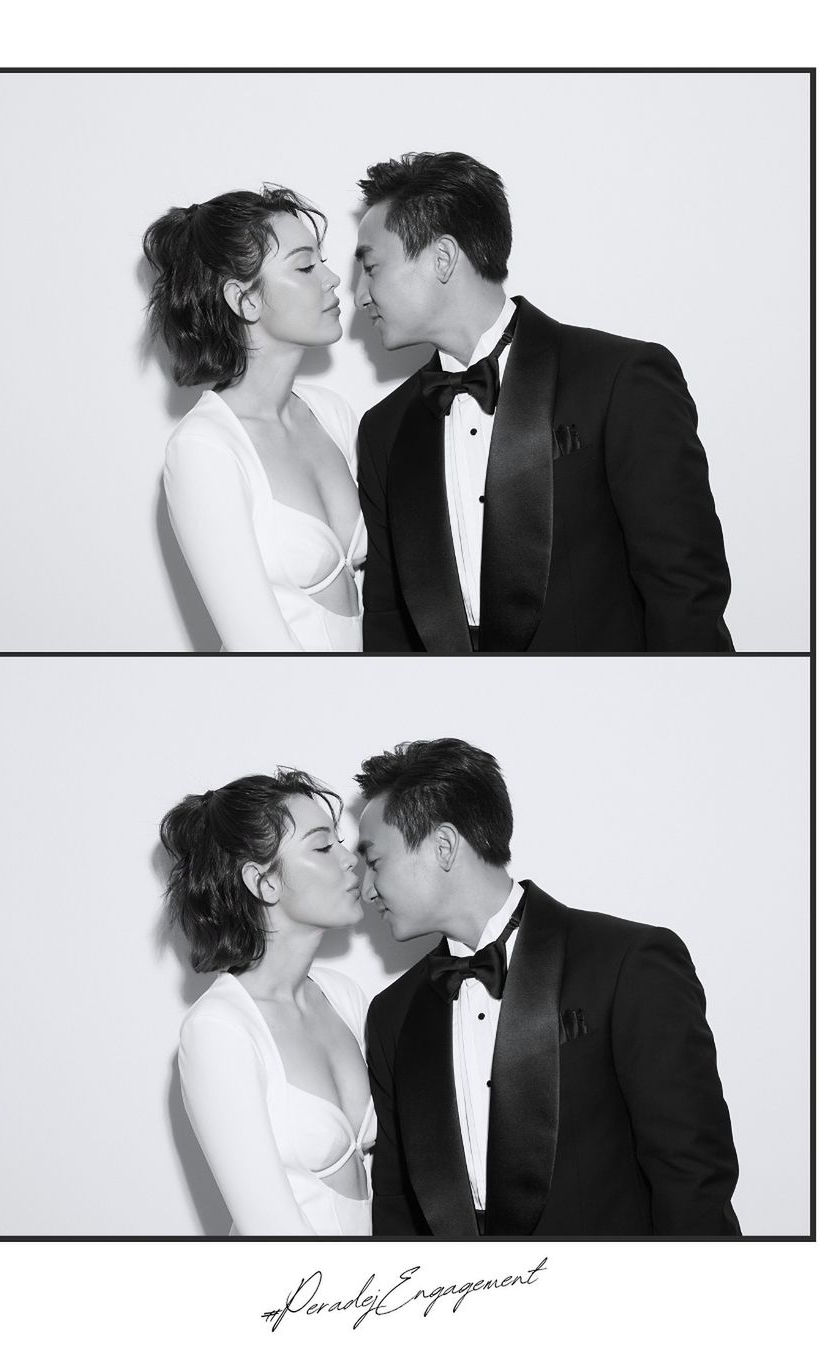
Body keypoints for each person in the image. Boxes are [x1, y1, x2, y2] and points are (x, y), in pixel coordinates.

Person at [355, 738, 741, 1237]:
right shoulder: (393, 1014)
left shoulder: (628, 963)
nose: (366, 889)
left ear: (444, 846)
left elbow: (692, 1177)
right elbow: (396, 1205)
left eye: (375, 862)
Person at [353, 152, 734, 653]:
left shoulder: (620, 379)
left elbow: (685, 592)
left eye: (372, 268)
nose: (360, 295)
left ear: (442, 258)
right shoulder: (384, 429)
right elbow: (387, 620)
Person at [143, 188, 365, 651]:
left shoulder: (332, 414)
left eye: (322, 262)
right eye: (305, 267)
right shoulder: (204, 448)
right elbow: (256, 647)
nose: (332, 280)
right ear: (244, 300)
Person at [161, 769, 374, 1235]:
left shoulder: (344, 997)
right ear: (263, 883)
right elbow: (268, 1228)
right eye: (323, 847)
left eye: (340, 842)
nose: (349, 859)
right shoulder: (219, 1030)